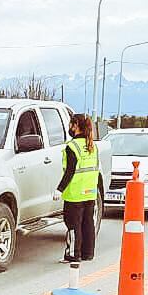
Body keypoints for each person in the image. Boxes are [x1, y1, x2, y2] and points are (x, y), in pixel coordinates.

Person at [55, 113, 99, 264]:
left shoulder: (72, 146)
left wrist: (59, 189)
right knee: (88, 223)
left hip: (75, 193)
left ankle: (73, 255)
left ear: (75, 126)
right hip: (90, 192)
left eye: (70, 124)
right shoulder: (92, 146)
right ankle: (88, 253)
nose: (69, 127)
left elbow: (70, 171)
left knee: (73, 225)